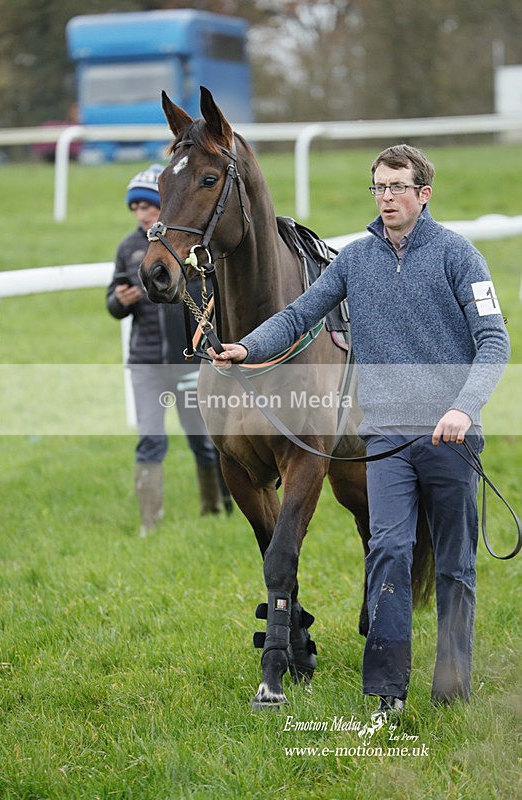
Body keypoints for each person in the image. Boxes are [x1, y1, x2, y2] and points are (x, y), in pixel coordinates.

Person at [208, 145, 510, 719]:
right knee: (389, 552)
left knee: (453, 566)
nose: (387, 197)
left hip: (451, 439)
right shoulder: (355, 261)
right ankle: (386, 694)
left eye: (398, 186)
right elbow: (299, 316)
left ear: (424, 194)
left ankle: (453, 684)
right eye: (379, 187)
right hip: (386, 442)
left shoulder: (461, 257)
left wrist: (465, 407)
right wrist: (248, 348)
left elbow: (495, 342)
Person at [107, 164, 231, 536]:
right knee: (150, 438)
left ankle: (217, 509)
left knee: (203, 440)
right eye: (136, 208)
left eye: (148, 206)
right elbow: (111, 305)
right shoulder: (129, 248)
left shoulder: (191, 248)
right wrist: (119, 300)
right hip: (145, 364)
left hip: (188, 362)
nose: (142, 214)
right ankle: (150, 521)